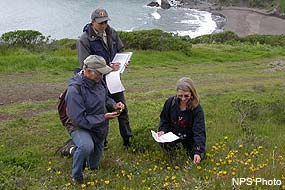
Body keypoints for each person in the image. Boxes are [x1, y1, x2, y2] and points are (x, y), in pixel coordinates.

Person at [65, 54, 125, 184]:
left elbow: (105, 98)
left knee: (93, 166)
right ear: (87, 71)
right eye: (99, 73)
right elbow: (78, 119)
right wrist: (103, 117)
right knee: (86, 146)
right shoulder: (74, 90)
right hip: (79, 126)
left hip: (99, 124)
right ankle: (76, 176)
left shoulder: (98, 81)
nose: (101, 76)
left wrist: (114, 104)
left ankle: (78, 152)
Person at [77, 8, 132, 147]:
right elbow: (86, 64)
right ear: (92, 22)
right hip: (96, 81)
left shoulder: (111, 32)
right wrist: (108, 67)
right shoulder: (84, 39)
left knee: (122, 108)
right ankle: (102, 143)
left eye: (105, 22)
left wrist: (123, 61)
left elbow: (119, 49)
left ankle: (128, 140)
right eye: (100, 23)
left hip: (114, 79)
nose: (103, 25)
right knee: (101, 112)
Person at [156, 77, 206, 164]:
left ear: (192, 94)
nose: (183, 99)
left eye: (186, 96)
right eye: (180, 96)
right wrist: (162, 131)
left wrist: (198, 151)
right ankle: (173, 154)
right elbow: (164, 119)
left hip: (189, 138)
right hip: (173, 135)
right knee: (165, 144)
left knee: (199, 155)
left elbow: (199, 131)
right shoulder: (170, 102)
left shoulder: (197, 109)